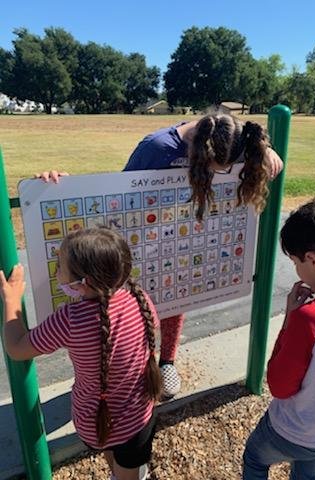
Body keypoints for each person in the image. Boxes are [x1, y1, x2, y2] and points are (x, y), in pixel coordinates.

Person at [37, 113, 283, 398]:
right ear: (202, 151)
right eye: (213, 169)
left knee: (177, 295)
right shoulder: (157, 148)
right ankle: (136, 363)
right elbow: (116, 193)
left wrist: (265, 150)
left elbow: (244, 146)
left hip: (181, 236)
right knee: (136, 305)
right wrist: (61, 189)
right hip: (142, 238)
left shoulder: (229, 144)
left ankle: (167, 361)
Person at [0, 227, 162, 480]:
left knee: (116, 456)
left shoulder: (70, 320)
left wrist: (11, 302)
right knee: (127, 468)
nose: (56, 272)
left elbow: (17, 348)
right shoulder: (141, 299)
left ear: (83, 283)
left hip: (96, 423)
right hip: (139, 416)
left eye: (60, 267)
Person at [243, 199, 315, 480]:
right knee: (309, 471)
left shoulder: (311, 319)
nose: (297, 270)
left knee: (255, 459)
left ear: (313, 260)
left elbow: (280, 385)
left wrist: (289, 320)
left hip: (293, 432)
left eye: (296, 262)